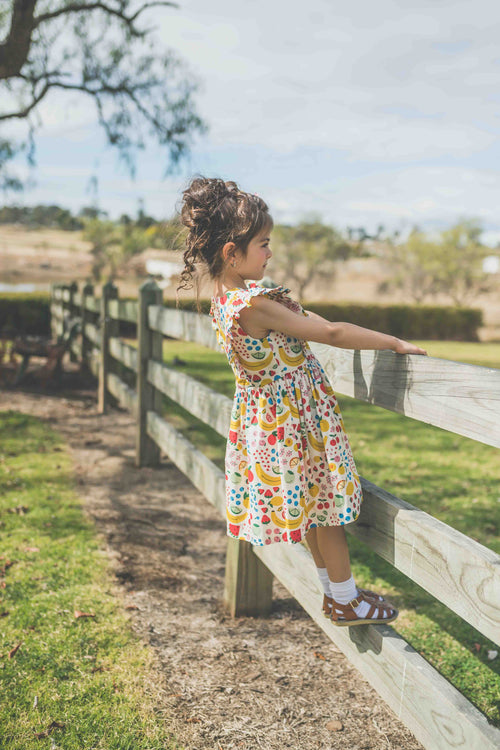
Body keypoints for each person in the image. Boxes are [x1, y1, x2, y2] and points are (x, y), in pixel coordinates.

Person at [178, 176, 428, 627]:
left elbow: (312, 321)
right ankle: (347, 599)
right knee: (326, 511)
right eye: (263, 244)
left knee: (315, 510)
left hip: (275, 422)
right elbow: (329, 331)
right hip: (294, 423)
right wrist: (392, 341)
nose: (270, 252)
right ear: (230, 253)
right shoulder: (253, 304)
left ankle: (335, 595)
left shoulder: (227, 299)